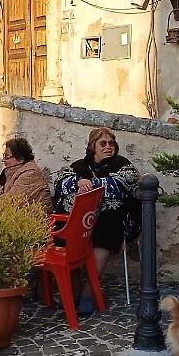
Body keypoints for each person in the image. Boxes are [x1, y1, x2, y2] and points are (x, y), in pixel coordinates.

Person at [54, 126, 140, 314]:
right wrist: (77, 182)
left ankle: (87, 293)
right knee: (65, 226)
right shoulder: (80, 166)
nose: (108, 147)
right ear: (93, 146)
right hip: (84, 220)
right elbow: (60, 183)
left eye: (111, 143)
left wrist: (91, 184)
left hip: (115, 218)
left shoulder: (122, 164)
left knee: (107, 224)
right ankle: (74, 291)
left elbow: (123, 184)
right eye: (103, 143)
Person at [0, 137, 51, 215]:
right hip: (21, 215)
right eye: (3, 156)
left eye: (7, 157)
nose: (3, 160)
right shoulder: (14, 172)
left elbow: (11, 200)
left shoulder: (31, 174)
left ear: (21, 159)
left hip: (35, 220)